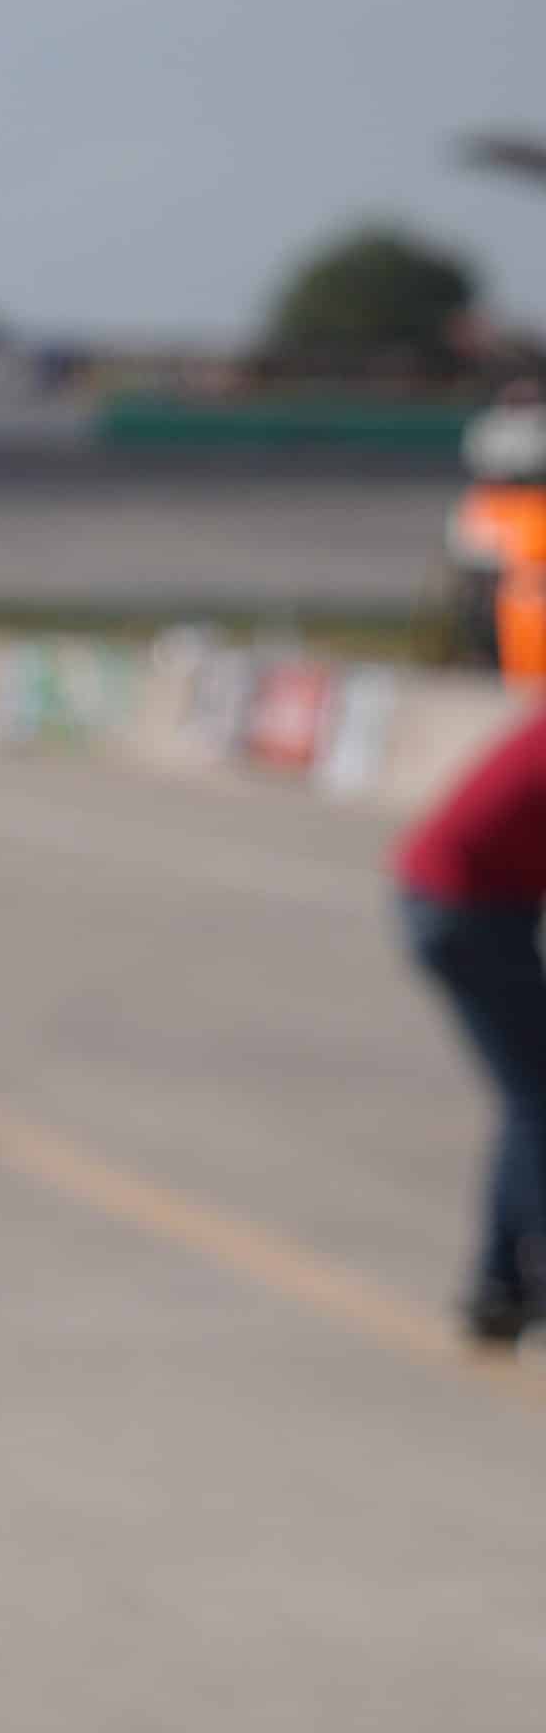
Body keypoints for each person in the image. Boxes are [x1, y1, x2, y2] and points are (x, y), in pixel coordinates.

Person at [396, 694, 546, 1345]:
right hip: (467, 910)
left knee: (530, 1095)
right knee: (538, 1098)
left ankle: (499, 1291)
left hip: (463, 901)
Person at [446, 375, 546, 684]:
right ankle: (483, 654)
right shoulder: (488, 429)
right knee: (482, 595)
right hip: (495, 513)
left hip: (530, 516)